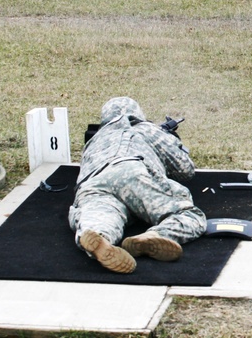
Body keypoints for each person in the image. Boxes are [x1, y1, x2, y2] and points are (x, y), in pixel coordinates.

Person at [69, 97, 207, 274]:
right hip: (132, 172)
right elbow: (185, 170)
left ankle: (99, 235)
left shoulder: (96, 138)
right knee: (188, 214)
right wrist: (171, 139)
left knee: (102, 214)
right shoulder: (145, 128)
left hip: (93, 182)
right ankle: (156, 235)